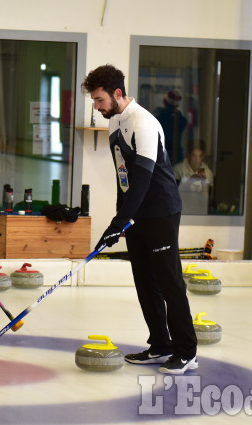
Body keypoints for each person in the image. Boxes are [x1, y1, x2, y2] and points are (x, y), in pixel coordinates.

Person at [82, 64, 198, 374]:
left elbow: (144, 179)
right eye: (94, 101)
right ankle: (160, 344)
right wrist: (119, 221)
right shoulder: (114, 121)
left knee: (169, 282)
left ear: (117, 94)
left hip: (160, 211)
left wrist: (120, 221)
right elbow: (124, 179)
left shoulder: (143, 123)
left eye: (100, 100)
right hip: (137, 214)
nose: (97, 106)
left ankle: (186, 350)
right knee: (145, 283)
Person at [156, 89, 187, 165]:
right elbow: (184, 123)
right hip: (176, 153)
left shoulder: (161, 116)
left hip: (162, 153)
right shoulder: (180, 118)